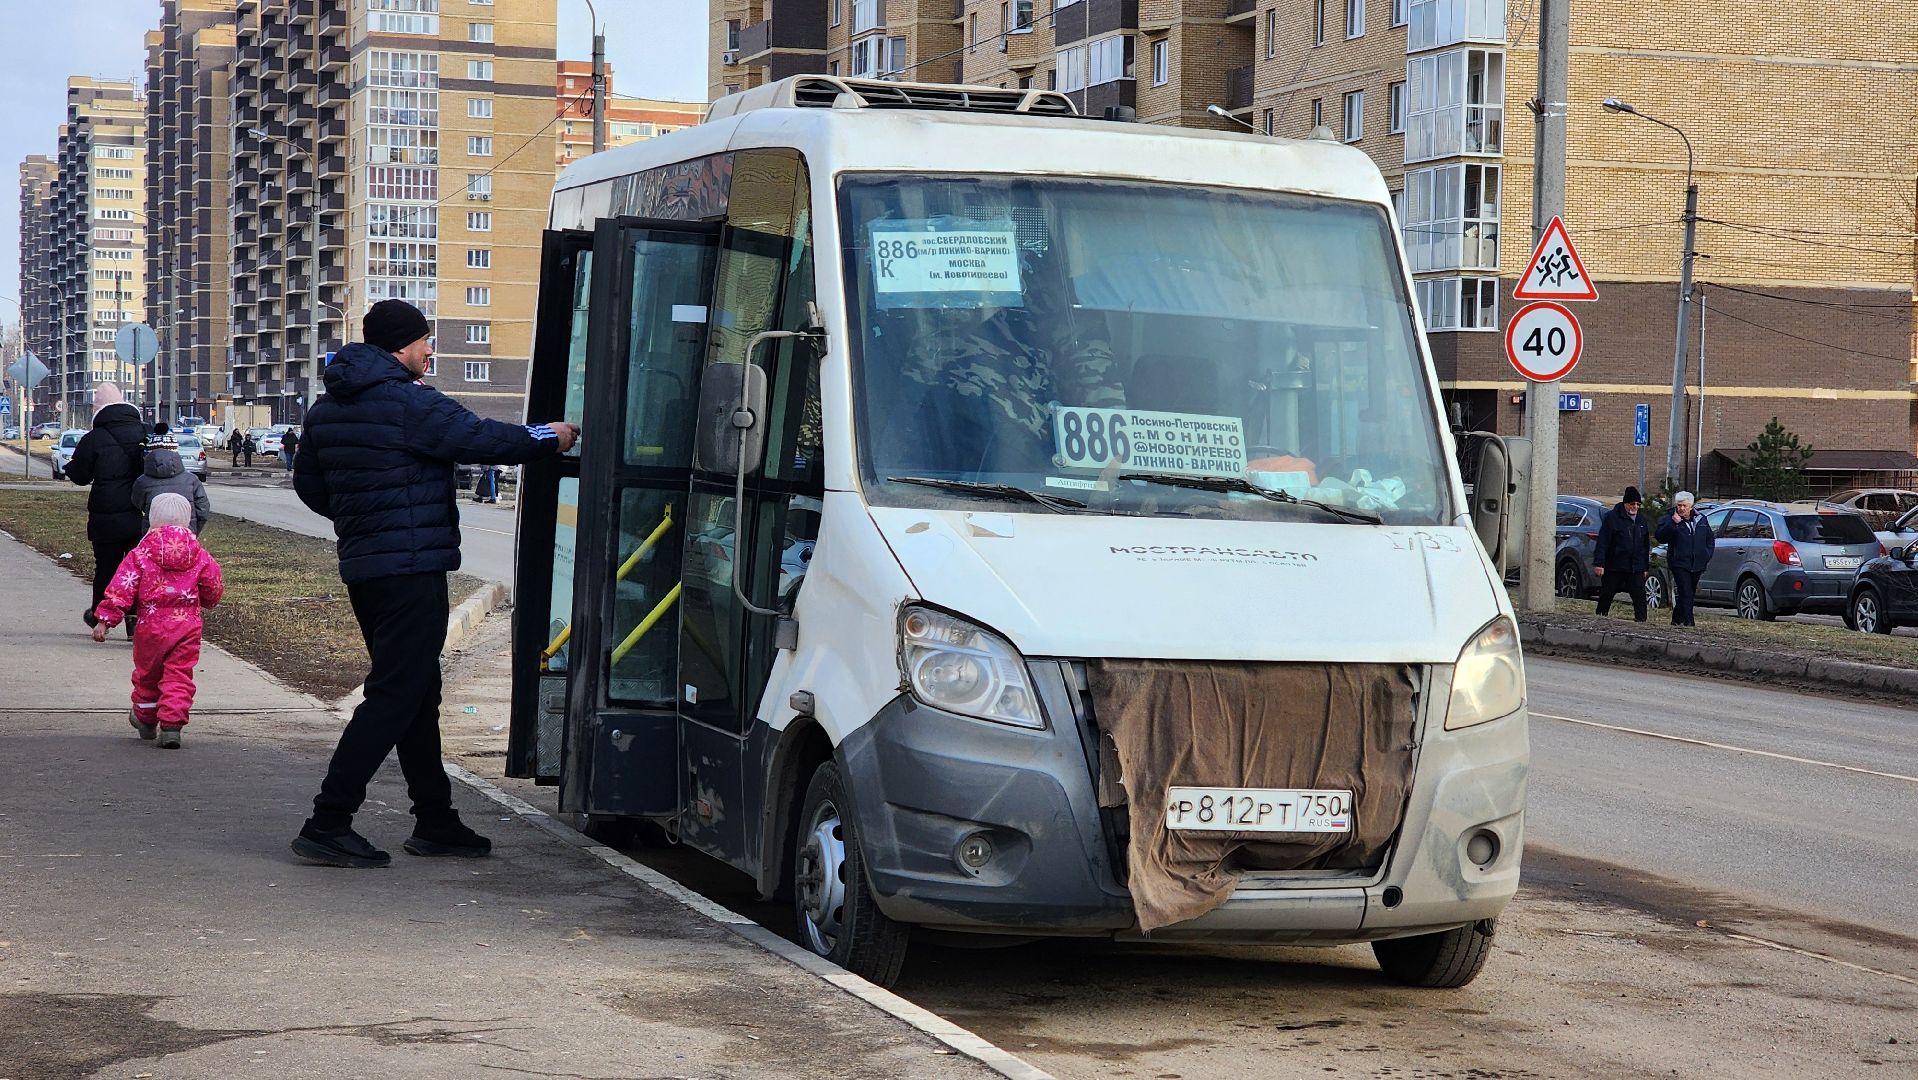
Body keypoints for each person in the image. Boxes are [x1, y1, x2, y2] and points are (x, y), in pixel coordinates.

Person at [290, 299, 578, 869]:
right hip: (410, 571)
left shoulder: (327, 410)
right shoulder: (407, 403)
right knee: (397, 694)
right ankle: (328, 821)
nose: (431, 350)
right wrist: (551, 436)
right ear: (402, 346)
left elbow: (310, 487)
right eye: (425, 341)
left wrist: (363, 521)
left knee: (417, 694)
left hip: (368, 569)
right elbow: (483, 439)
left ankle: (436, 821)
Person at [90, 492, 224, 750]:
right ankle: (172, 725)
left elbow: (122, 587)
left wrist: (105, 620)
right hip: (187, 627)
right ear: (187, 522)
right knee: (179, 674)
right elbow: (213, 584)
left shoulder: (140, 554)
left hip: (151, 626)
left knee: (148, 675)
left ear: (152, 522)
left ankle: (145, 717)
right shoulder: (198, 553)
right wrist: (208, 601)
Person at [64, 383, 148, 639]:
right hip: (139, 512)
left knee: (106, 567)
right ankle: (134, 620)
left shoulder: (93, 438)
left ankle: (100, 617)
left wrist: (71, 466)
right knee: (137, 569)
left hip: (105, 515)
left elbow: (80, 476)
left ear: (98, 408)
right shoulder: (144, 432)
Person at [1593, 485, 1652, 622]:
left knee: (1640, 597)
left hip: (1635, 567)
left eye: (1638, 504)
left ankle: (1641, 622)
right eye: (1632, 504)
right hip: (1615, 566)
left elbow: (1645, 546)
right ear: (1625, 503)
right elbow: (1603, 542)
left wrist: (1645, 567)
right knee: (1607, 594)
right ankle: (1600, 618)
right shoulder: (1612, 518)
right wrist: (1599, 563)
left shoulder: (1641, 520)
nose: (1635, 507)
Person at [1656, 491, 1715, 627]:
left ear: (1691, 506)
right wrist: (1673, 523)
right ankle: (1689, 622)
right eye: (1679, 505)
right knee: (1685, 591)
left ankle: (1676, 620)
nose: (1681, 509)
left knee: (1688, 593)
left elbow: (1709, 539)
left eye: (1684, 506)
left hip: (1697, 563)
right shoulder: (1670, 518)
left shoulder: (1701, 519)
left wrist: (1706, 555)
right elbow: (1661, 536)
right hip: (1679, 563)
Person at [132, 434, 212, 534]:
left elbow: (137, 503)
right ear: (175, 452)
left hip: (152, 537)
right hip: (185, 537)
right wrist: (193, 531)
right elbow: (203, 509)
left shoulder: (142, 482)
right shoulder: (192, 480)